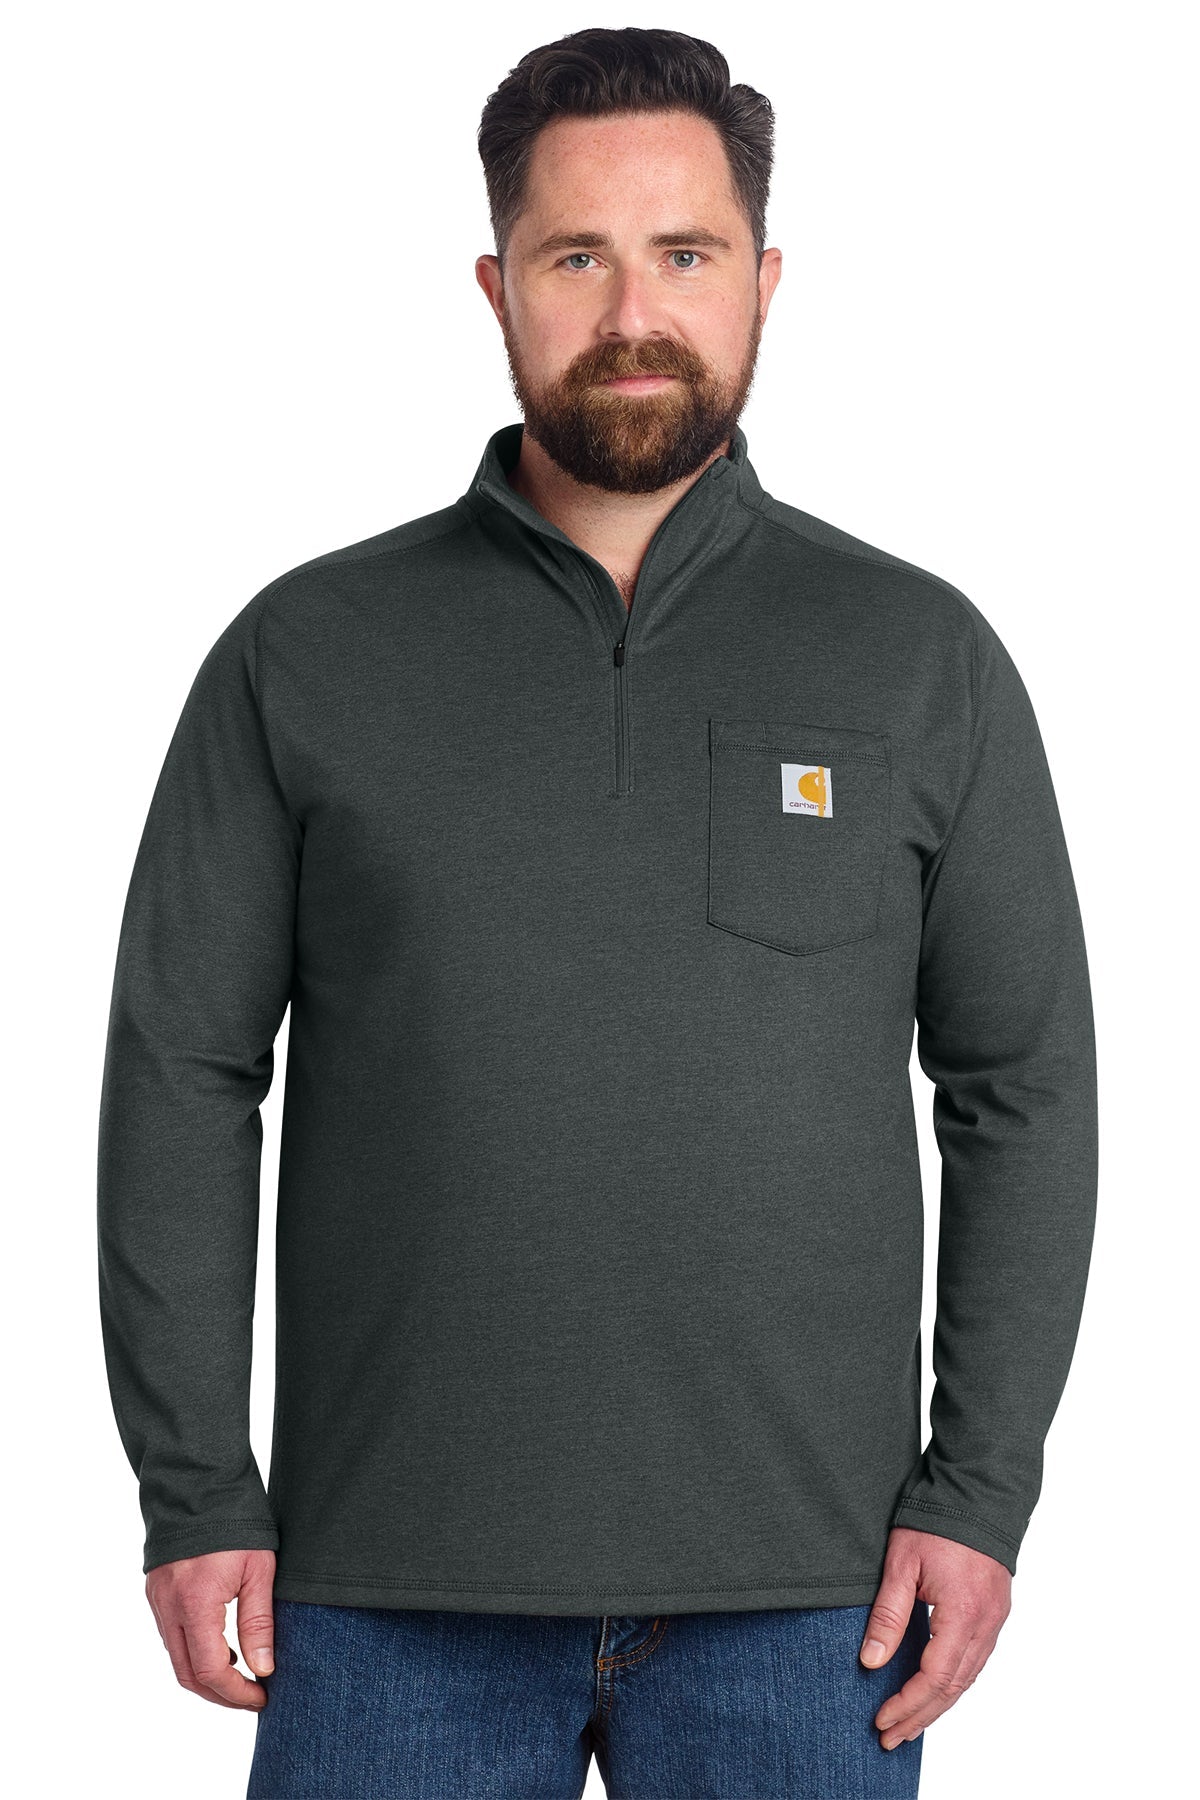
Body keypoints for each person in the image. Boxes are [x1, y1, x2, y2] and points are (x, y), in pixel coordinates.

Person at [97, 25, 1098, 1800]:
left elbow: (1024, 1087)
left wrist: (981, 1492)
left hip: (817, 1604)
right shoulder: (303, 651)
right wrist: (192, 1489)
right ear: (497, 288)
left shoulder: (918, 654)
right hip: (378, 1594)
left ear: (765, 281)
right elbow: (182, 1066)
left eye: (686, 254)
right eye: (576, 258)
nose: (635, 312)